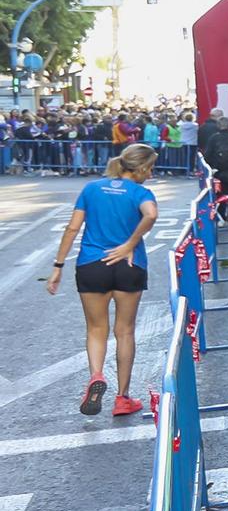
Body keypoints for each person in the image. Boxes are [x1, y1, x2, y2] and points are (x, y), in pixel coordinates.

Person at [50, 144, 159, 417]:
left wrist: (58, 266)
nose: (152, 173)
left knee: (96, 329)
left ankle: (96, 375)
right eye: (151, 167)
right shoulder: (141, 193)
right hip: (128, 265)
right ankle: (122, 397)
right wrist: (130, 243)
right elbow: (151, 214)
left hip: (91, 264)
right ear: (141, 168)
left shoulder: (91, 189)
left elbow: (73, 228)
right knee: (125, 331)